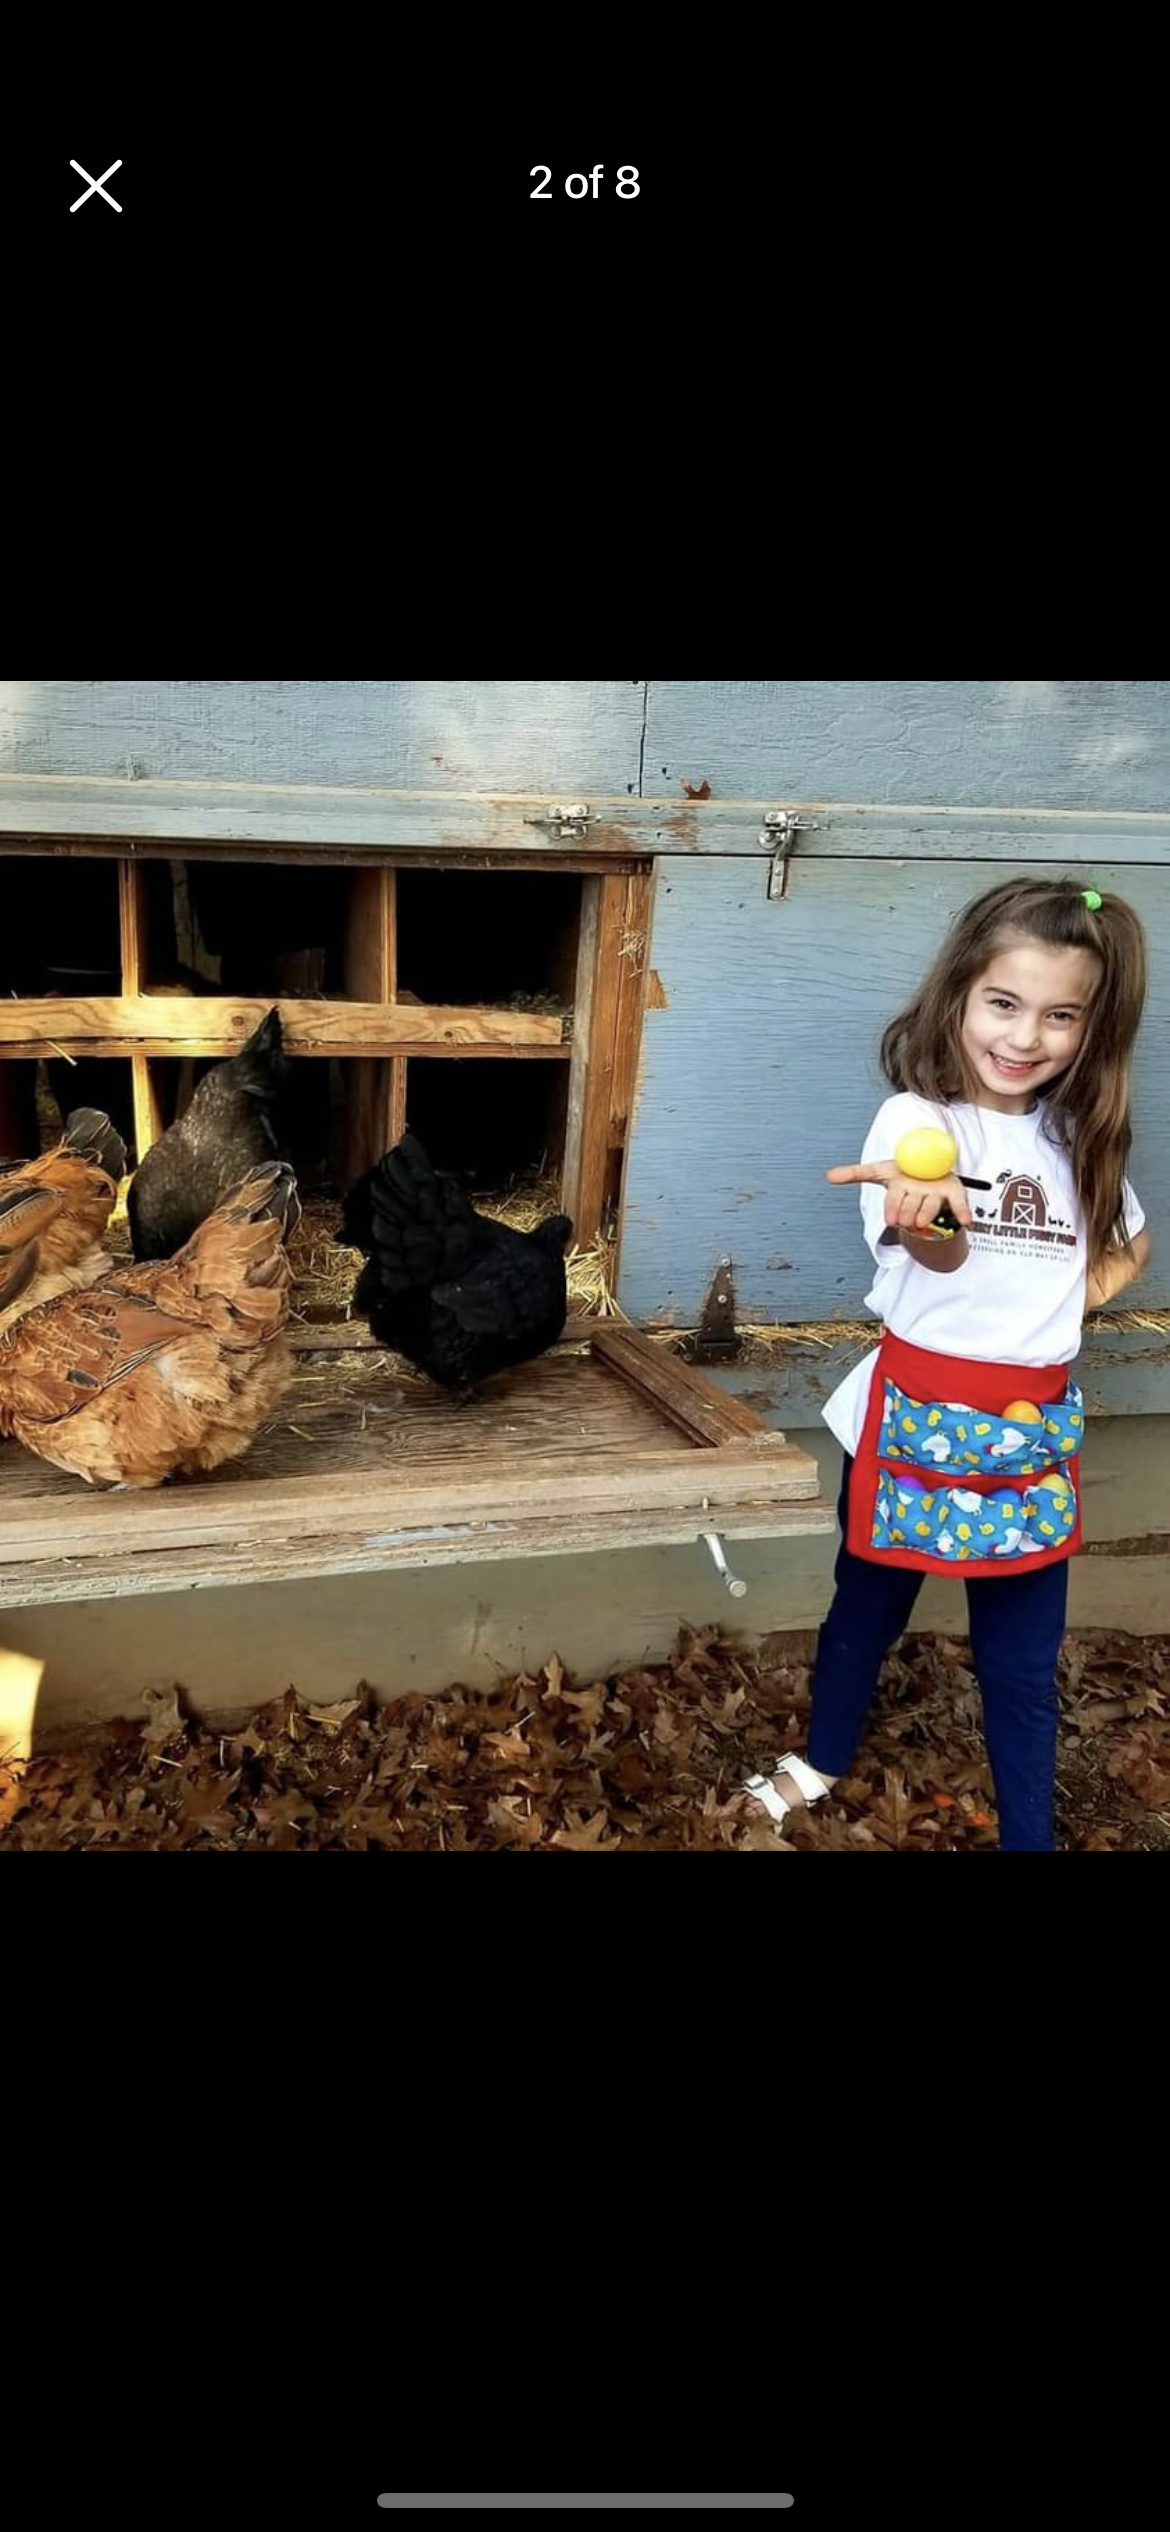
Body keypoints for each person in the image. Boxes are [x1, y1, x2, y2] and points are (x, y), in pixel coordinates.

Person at [746, 878, 1152, 1852]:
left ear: (1093, 1030)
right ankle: (822, 1758)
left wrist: (1077, 1294)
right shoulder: (918, 1126)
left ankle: (1028, 1834)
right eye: (1003, 1004)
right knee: (865, 1609)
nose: (1025, 1037)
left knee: (1022, 1656)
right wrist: (926, 1215)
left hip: (1028, 1436)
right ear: (960, 993)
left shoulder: (1079, 1138)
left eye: (1061, 1015)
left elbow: (1132, 1239)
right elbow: (939, 1250)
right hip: (915, 1420)